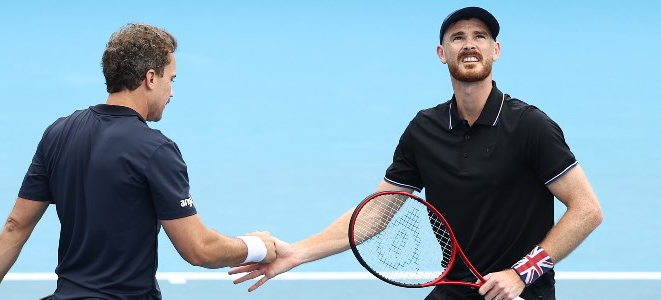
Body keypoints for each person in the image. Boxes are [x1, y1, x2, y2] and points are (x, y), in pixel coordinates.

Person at [230, 7, 603, 300]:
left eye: (480, 36)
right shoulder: (424, 129)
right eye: (458, 38)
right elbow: (375, 212)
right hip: (455, 288)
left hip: (520, 291)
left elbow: (587, 209)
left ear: (496, 50)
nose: (469, 44)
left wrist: (521, 273)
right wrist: (296, 253)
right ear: (443, 54)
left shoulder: (530, 126)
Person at [0, 23, 278, 300]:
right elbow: (198, 250)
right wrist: (258, 246)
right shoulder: (155, 150)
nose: (171, 92)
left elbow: (15, 226)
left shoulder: (59, 132)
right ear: (150, 78)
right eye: (170, 79)